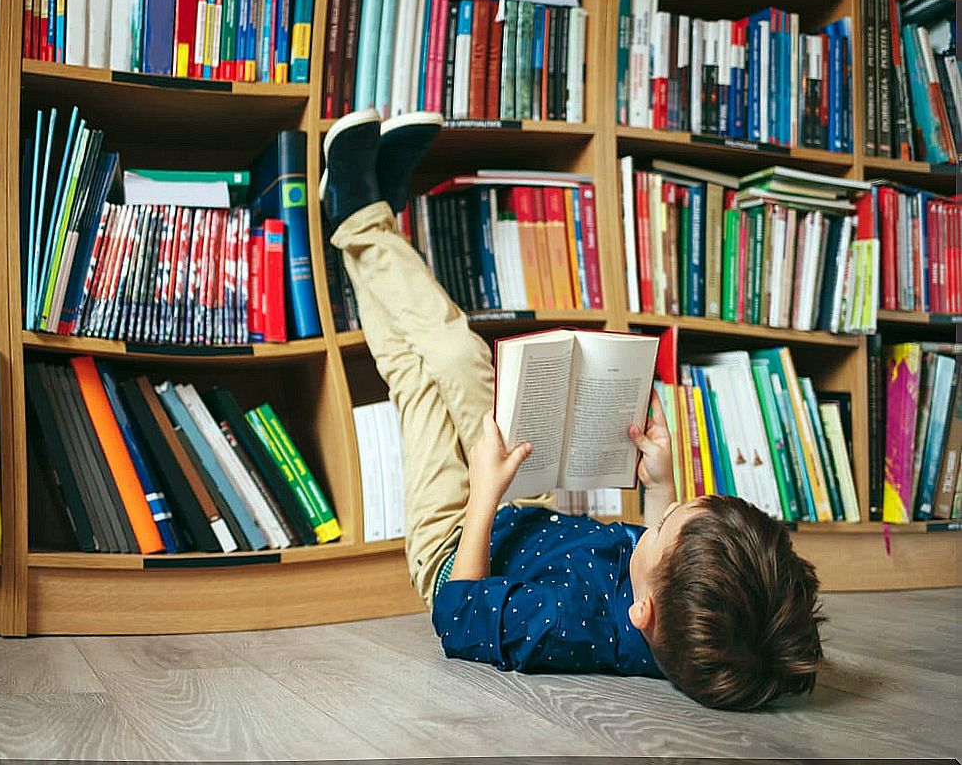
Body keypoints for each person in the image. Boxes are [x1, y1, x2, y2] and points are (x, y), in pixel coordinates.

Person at [322, 109, 825, 711]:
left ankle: (360, 216)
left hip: (453, 546)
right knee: (453, 358)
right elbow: (660, 558)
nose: (655, 520)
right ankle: (365, 217)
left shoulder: (565, 624)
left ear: (642, 612)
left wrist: (483, 496)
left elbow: (458, 620)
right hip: (526, 509)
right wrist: (660, 485)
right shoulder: (679, 620)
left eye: (662, 523)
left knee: (425, 374)